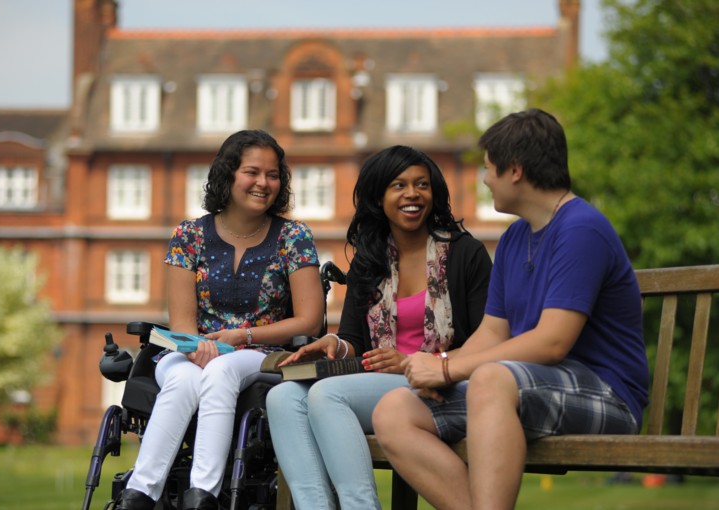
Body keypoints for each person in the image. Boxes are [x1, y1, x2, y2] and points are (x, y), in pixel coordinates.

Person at [372, 109, 650, 510]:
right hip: (526, 386)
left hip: (607, 394)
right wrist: (434, 363)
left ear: (515, 171)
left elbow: (553, 342)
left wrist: (448, 369)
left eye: (489, 169)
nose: (485, 180)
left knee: (490, 378)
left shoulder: (581, 229)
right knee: (395, 409)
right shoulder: (515, 236)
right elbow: (492, 333)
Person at [266, 145, 493, 510]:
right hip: (381, 381)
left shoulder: (466, 254)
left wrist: (411, 361)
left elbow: (488, 342)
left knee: (328, 396)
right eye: (398, 185)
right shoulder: (370, 259)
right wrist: (332, 346)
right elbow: (356, 339)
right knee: (282, 396)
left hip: (442, 381)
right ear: (379, 197)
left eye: (422, 184)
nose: (412, 194)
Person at [115, 130, 323, 510]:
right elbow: (182, 324)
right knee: (180, 377)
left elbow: (309, 319)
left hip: (262, 352)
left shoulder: (294, 237)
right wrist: (199, 348)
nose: (264, 183)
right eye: (252, 172)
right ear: (228, 175)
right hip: (193, 350)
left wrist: (241, 336)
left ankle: (203, 495)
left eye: (273, 174)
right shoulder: (189, 235)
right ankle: (140, 494)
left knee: (220, 371)